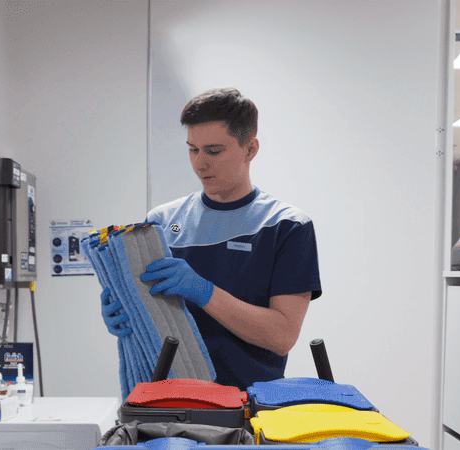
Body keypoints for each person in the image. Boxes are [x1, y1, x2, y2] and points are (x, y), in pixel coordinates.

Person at [101, 88, 321, 390]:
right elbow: (154, 323)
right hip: (168, 404)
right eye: (193, 149)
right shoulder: (160, 223)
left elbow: (281, 337)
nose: (200, 164)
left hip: (247, 408)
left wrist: (203, 291)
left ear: (250, 149)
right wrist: (126, 318)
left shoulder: (287, 226)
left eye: (214, 151)